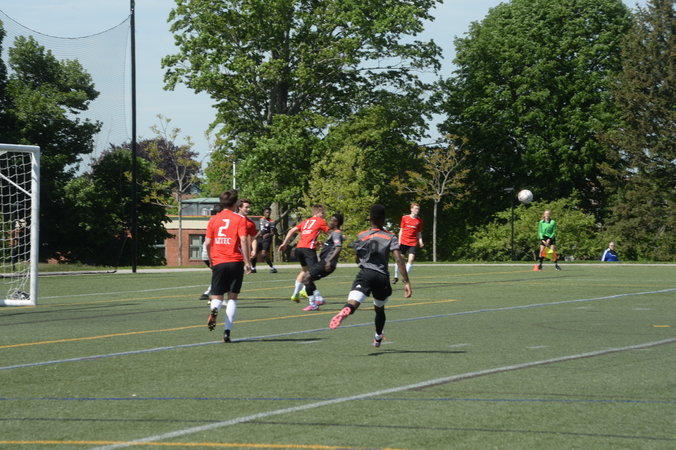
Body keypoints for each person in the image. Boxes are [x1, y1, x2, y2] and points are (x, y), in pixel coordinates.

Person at [329, 204, 411, 347]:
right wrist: (407, 281)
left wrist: (362, 260)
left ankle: (347, 309)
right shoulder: (390, 236)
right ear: (384, 219)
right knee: (379, 309)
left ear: (370, 219)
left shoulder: (362, 235)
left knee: (353, 301)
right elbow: (399, 259)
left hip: (366, 273)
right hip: (382, 277)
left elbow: (357, 258)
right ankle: (378, 337)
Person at [204, 189, 252, 343]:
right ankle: (227, 332)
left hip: (219, 261)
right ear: (236, 203)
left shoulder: (214, 220)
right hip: (235, 261)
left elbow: (207, 242)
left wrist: (211, 259)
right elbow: (243, 240)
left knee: (217, 295)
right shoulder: (239, 219)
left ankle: (214, 309)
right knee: (232, 298)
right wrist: (247, 262)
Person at [278, 204, 329, 303]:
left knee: (304, 271)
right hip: (308, 250)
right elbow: (330, 233)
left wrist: (284, 243)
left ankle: (296, 294)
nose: (324, 215)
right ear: (319, 213)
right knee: (313, 273)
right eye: (323, 213)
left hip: (299, 249)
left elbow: (292, 230)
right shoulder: (320, 221)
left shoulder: (305, 221)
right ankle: (314, 295)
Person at [301, 213, 345, 311]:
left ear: (336, 223)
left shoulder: (336, 233)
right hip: (323, 262)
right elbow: (333, 246)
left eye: (332, 220)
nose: (329, 222)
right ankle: (318, 300)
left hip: (326, 263)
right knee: (307, 278)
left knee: (306, 277)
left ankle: (313, 304)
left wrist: (329, 261)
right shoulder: (334, 233)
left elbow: (338, 248)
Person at [393, 202, 423, 284]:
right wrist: (399, 241)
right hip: (403, 241)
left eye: (418, 209)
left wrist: (420, 241)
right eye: (416, 208)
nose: (417, 210)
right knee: (399, 260)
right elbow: (401, 230)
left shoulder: (419, 221)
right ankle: (395, 277)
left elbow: (419, 233)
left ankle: (405, 277)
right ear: (411, 209)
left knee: (411, 259)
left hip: (412, 242)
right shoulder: (404, 218)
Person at [199, 206, 221, 302]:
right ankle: (212, 296)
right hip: (211, 254)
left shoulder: (213, 220)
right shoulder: (216, 221)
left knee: (219, 275)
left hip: (208, 253)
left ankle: (208, 294)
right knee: (220, 276)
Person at [253, 207, 278, 273]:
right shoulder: (261, 220)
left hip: (267, 240)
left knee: (263, 254)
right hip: (260, 239)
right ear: (264, 213)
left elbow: (273, 233)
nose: (268, 214)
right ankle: (253, 268)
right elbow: (260, 230)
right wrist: (255, 237)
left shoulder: (271, 222)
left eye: (269, 213)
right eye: (267, 212)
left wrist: (268, 234)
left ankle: (273, 268)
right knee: (254, 253)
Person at [237, 198, 259, 268]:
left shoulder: (250, 223)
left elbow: (253, 238)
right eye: (246, 207)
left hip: (240, 254)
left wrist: (254, 250)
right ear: (240, 207)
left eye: (249, 207)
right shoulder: (232, 220)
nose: (249, 209)